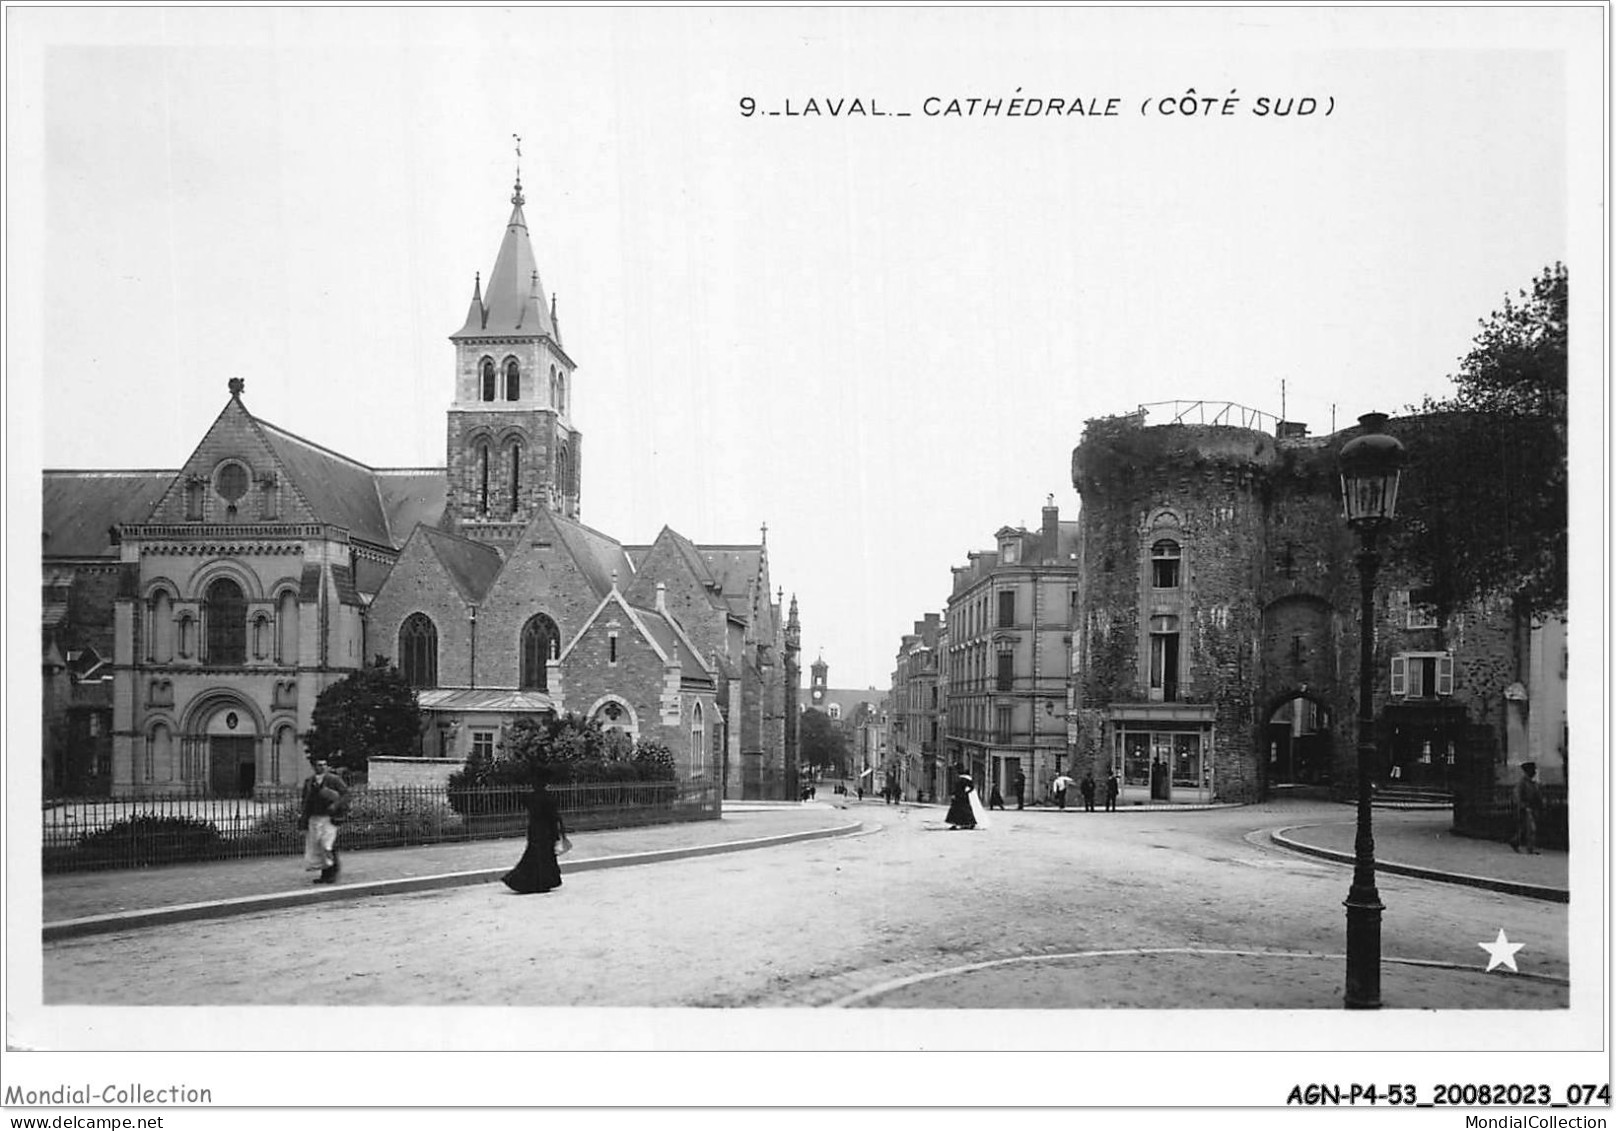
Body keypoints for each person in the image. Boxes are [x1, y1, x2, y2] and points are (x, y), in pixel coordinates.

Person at [503, 776, 569, 894]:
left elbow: (520, 797)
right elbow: (554, 816)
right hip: (547, 831)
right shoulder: (549, 798)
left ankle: (523, 881)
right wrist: (559, 834)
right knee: (546, 858)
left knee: (532, 856)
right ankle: (545, 882)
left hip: (534, 830)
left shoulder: (530, 797)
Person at [298, 755, 349, 884]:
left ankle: (333, 872)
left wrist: (335, 805)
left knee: (328, 845)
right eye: (319, 765)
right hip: (315, 817)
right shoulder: (309, 782)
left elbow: (346, 794)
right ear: (314, 767)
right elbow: (305, 802)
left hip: (329, 817)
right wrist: (303, 819)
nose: (322, 767)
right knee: (318, 846)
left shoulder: (334, 779)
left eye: (324, 765)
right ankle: (324, 874)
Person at [1510, 762, 1544, 855]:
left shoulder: (1532, 783)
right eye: (1532, 770)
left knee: (1525, 828)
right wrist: (1522, 806)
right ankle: (1529, 848)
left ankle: (1515, 841)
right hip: (1525, 808)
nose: (1534, 772)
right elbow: (1517, 796)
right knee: (1531, 829)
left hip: (1531, 808)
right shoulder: (1522, 783)